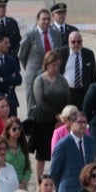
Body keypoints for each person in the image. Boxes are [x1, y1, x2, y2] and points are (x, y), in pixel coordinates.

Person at [27, 50, 70, 182]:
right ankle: (39, 181)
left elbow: (68, 99)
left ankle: (56, 179)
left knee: (58, 152)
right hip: (43, 120)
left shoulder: (62, 80)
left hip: (60, 120)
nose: (56, 68)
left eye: (58, 65)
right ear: (47, 64)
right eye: (53, 65)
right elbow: (40, 102)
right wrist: (56, 116)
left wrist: (63, 118)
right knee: (42, 154)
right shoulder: (39, 80)